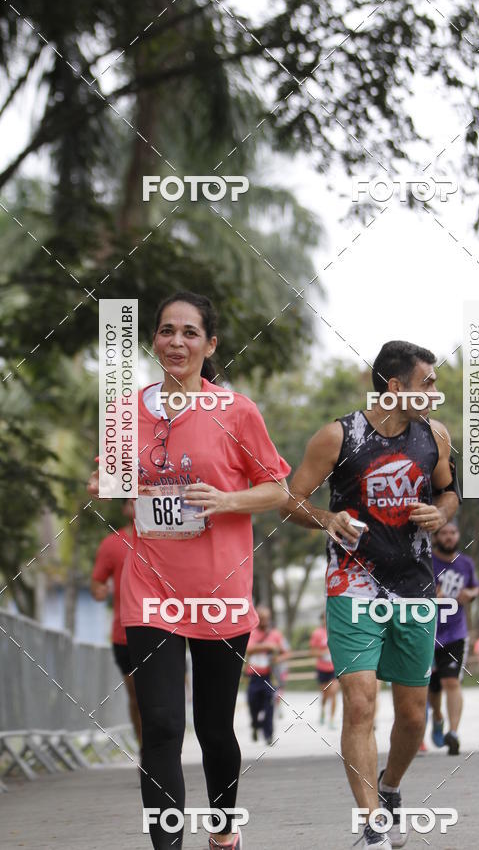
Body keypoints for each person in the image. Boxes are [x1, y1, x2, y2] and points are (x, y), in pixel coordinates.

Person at [88, 291, 290, 850]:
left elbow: (278, 488)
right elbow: (112, 483)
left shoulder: (235, 410)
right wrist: (109, 486)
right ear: (153, 340)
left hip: (221, 590)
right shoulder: (125, 410)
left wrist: (226, 501)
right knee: (160, 725)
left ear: (210, 344)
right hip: (150, 587)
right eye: (166, 331)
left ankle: (223, 827)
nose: (176, 341)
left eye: (189, 332)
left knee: (214, 727)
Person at [284, 340, 460, 849]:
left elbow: (449, 490)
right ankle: (372, 826)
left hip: (414, 585)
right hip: (352, 583)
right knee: (360, 705)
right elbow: (290, 502)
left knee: (412, 715)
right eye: (427, 383)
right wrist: (327, 517)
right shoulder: (338, 436)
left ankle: (390, 788)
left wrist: (443, 512)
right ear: (395, 387)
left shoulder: (435, 436)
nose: (434, 392)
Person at [90, 498, 142, 745]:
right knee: (137, 696)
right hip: (125, 633)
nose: (138, 506)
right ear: (125, 509)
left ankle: (164, 752)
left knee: (160, 698)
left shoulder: (168, 541)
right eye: (133, 502)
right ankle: (147, 751)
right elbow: (97, 582)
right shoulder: (112, 544)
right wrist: (100, 591)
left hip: (166, 628)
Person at [428, 519, 479, 755]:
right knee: (432, 687)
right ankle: (437, 718)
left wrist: (470, 593)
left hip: (455, 633)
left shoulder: (465, 563)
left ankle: (454, 732)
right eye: (444, 533)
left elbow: (474, 587)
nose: (449, 537)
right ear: (436, 537)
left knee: (451, 681)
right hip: (427, 632)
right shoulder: (427, 561)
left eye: (453, 532)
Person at [245, 606, 288, 743]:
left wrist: (278, 659)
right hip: (254, 676)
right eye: (261, 618)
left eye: (266, 618)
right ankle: (255, 725)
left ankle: (268, 734)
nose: (264, 621)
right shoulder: (251, 633)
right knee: (253, 704)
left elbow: (286, 653)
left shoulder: (276, 634)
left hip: (270, 677)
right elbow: (249, 649)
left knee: (269, 705)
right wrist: (268, 646)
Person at [310, 612, 339, 727]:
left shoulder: (335, 631)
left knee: (333, 693)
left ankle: (332, 719)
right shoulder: (317, 633)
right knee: (325, 694)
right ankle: (322, 710)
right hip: (322, 668)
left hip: (334, 668)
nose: (325, 621)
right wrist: (323, 653)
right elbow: (312, 652)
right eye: (323, 619)